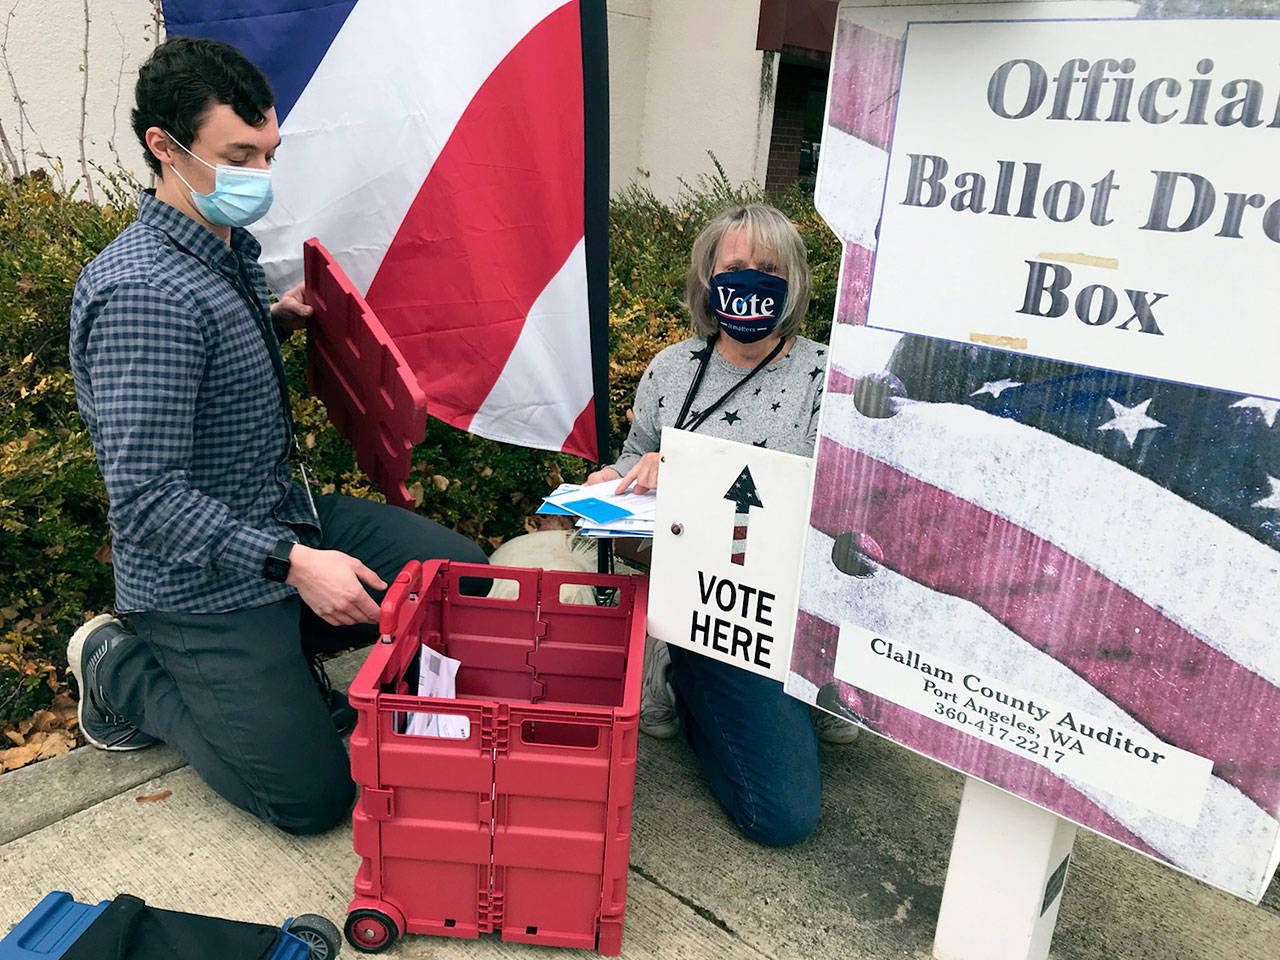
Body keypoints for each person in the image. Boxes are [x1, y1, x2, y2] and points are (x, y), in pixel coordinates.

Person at [66, 37, 487, 835]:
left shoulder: (221, 251)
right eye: (238, 155)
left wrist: (275, 321)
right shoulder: (145, 295)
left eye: (268, 153)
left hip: (276, 520)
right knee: (312, 800)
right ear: (164, 146)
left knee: (461, 579)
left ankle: (277, 666)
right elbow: (148, 501)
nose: (259, 176)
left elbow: (200, 374)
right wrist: (298, 568)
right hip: (198, 584)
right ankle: (123, 666)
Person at [585, 203, 854, 847]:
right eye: (736, 266)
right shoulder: (671, 369)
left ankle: (799, 687)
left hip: (795, 601)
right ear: (708, 276)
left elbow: (843, 499)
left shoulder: (828, 377)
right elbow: (633, 460)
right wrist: (618, 479)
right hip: (710, 606)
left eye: (769, 268)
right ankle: (681, 671)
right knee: (781, 817)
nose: (752, 280)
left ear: (793, 281)